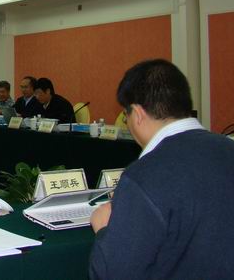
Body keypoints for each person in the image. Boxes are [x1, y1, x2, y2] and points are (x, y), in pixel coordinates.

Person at [89, 59, 234, 280]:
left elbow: (113, 273)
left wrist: (103, 229)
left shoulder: (144, 175)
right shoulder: (228, 148)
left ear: (137, 114)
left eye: (126, 116)